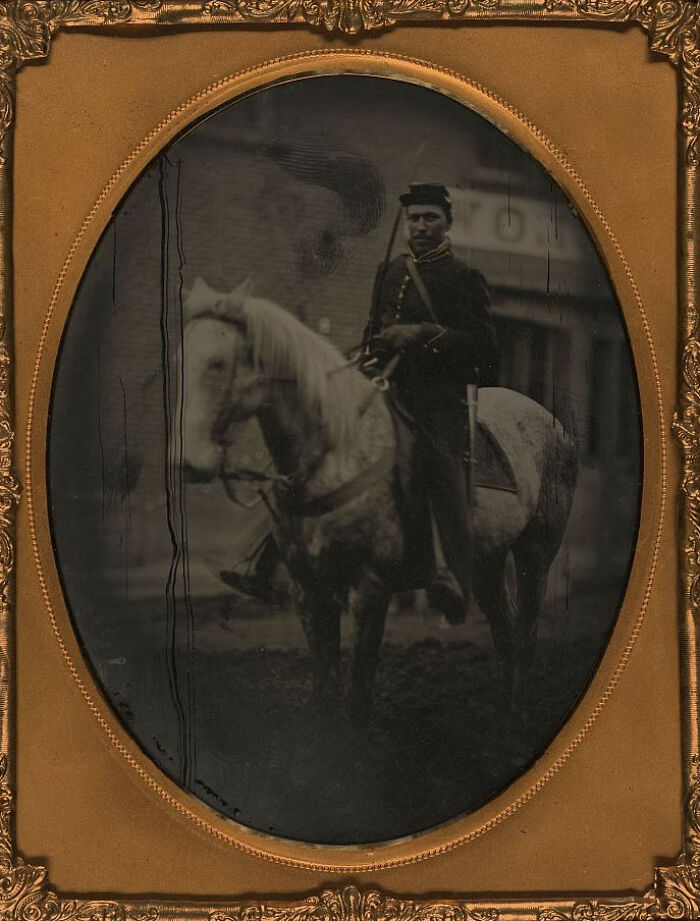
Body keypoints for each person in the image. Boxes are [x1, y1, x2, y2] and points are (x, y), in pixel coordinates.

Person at [362, 182, 498, 623]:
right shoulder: (388, 271)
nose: (420, 226)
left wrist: (422, 335)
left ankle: (454, 581)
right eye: (414, 218)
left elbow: (484, 348)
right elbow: (371, 334)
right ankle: (271, 561)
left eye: (430, 218)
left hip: (438, 402)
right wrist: (372, 354)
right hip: (389, 392)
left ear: (447, 223)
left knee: (439, 468)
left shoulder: (464, 278)